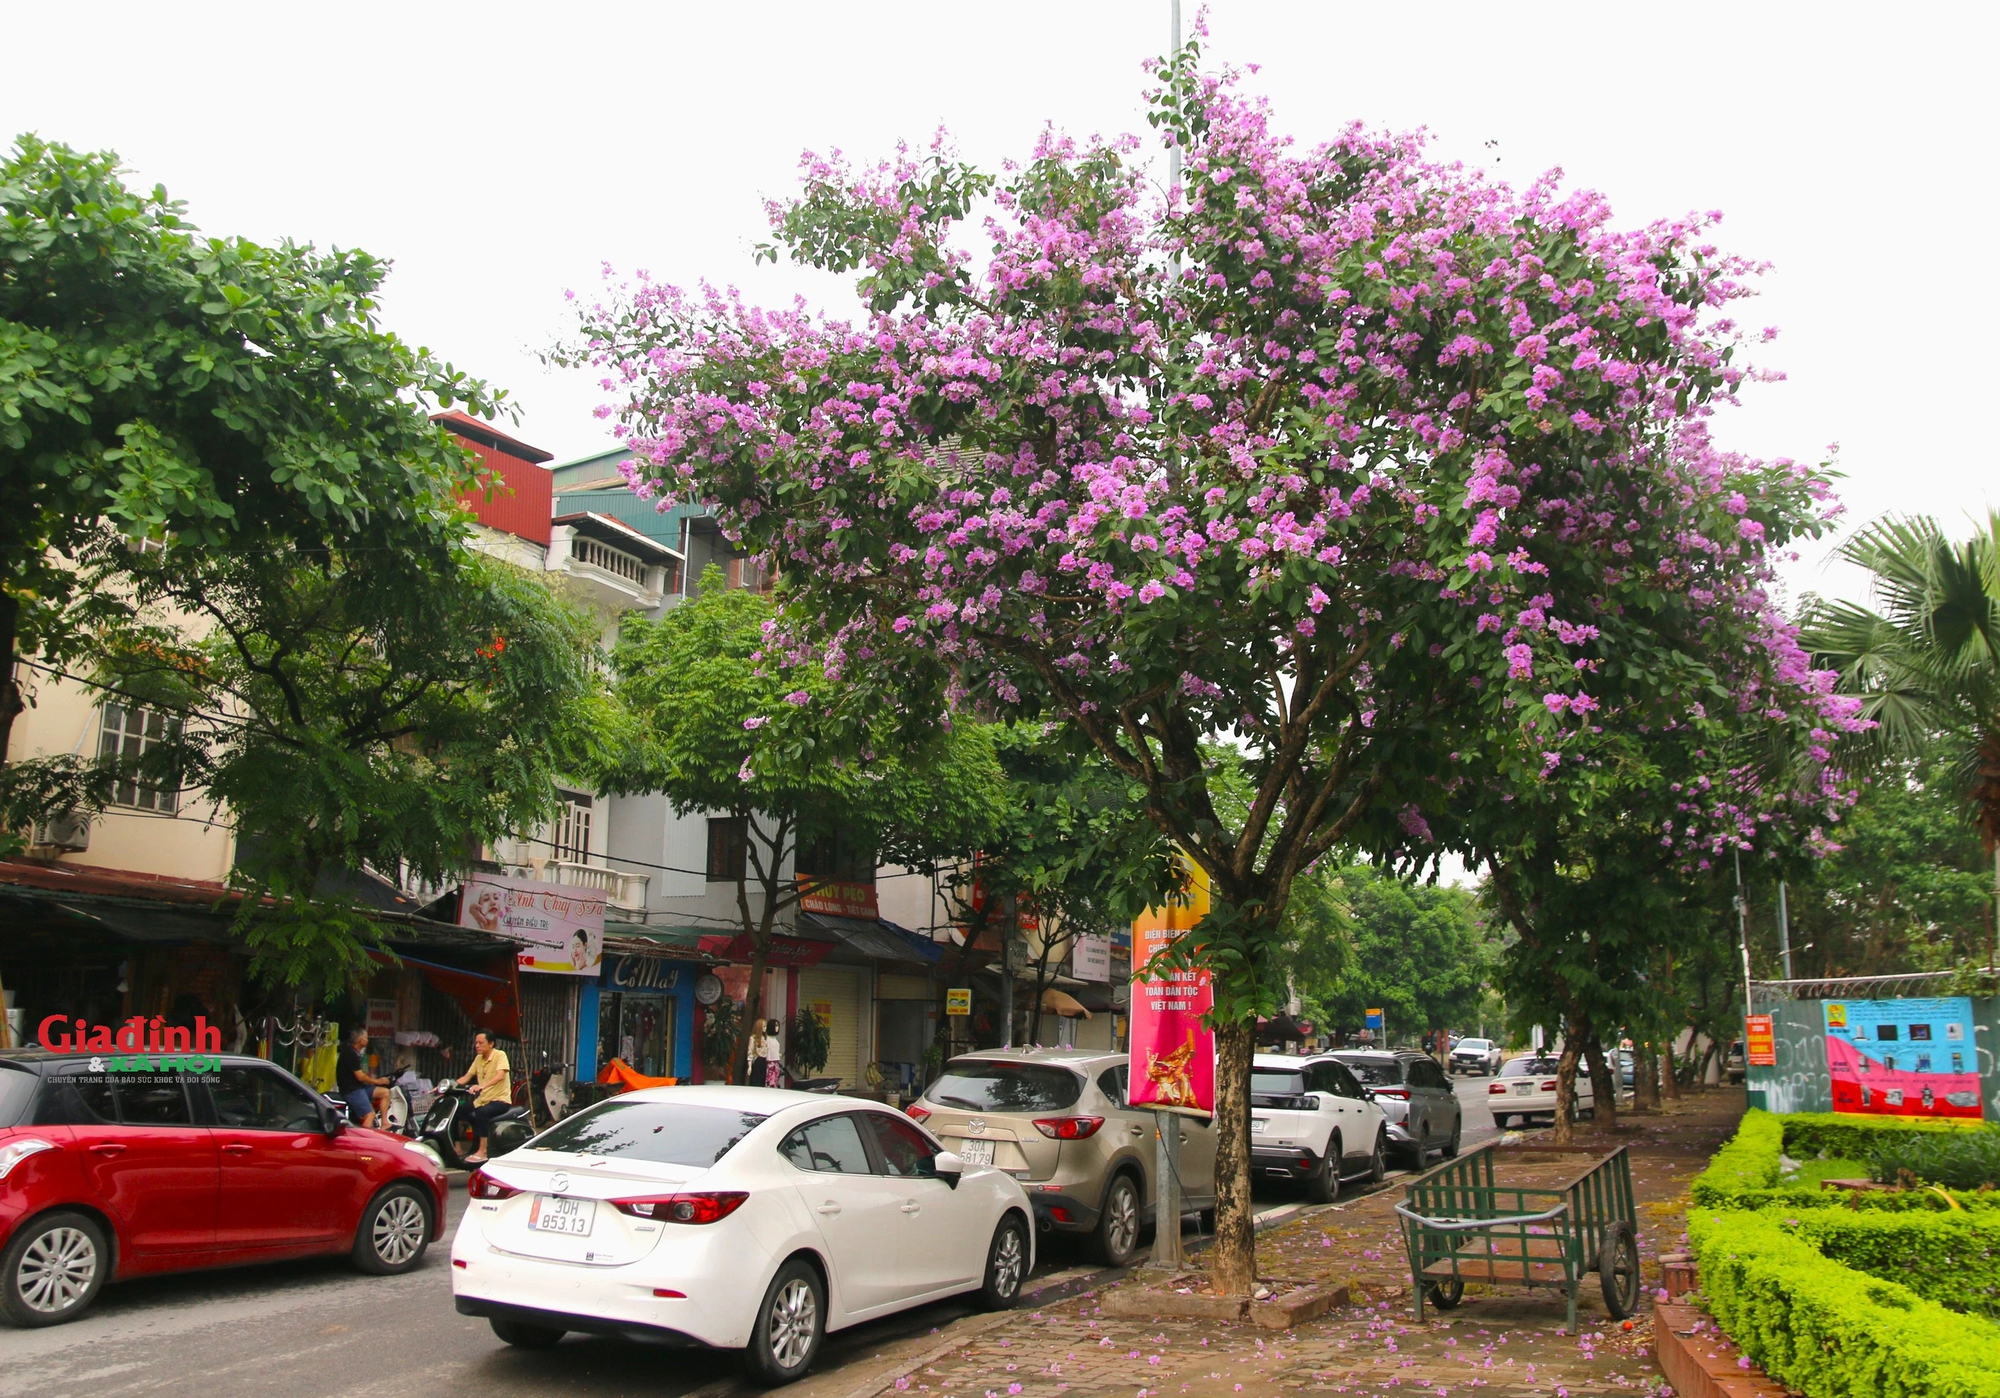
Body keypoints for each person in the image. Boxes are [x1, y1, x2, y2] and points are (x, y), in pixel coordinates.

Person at [445, 1029, 512, 1164]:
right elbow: (466, 1077)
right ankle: (458, 1148)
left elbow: (500, 1075)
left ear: (491, 1043)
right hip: (482, 1100)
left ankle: (483, 1151)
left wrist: (482, 1086)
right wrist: (446, 1086)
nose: (477, 1046)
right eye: (476, 1043)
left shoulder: (500, 1055)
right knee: (455, 1112)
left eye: (481, 1043)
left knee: (482, 1113)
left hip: (499, 1100)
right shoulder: (478, 1058)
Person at [336, 1027, 392, 1128]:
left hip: (360, 1088)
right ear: (361, 1040)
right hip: (352, 1090)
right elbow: (360, 1077)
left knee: (385, 1093)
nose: (368, 1040)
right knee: (370, 1115)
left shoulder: (356, 1054)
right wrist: (377, 1081)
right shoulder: (350, 1054)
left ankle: (384, 1122)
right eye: (366, 1038)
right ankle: (365, 1138)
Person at [749, 1018, 784, 1088]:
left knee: (774, 1082)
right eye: (775, 1026)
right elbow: (752, 1052)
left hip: (774, 1062)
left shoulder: (769, 1039)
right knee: (769, 1082)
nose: (777, 1028)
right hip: (768, 1062)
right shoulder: (764, 1039)